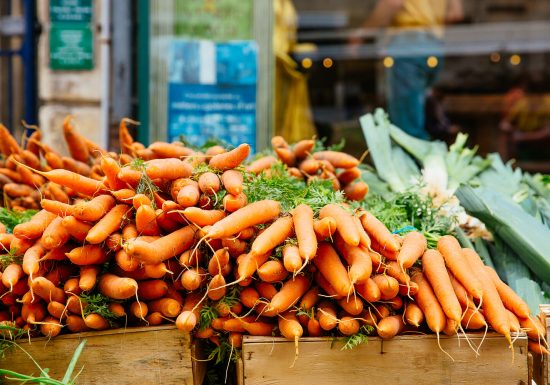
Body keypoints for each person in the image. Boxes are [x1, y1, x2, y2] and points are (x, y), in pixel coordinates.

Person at [353, 0, 463, 139]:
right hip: (434, 45)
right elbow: (455, 14)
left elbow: (393, 3)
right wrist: (429, 25)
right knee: (421, 117)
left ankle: (417, 157)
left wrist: (361, 33)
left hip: (408, 44)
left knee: (407, 131)